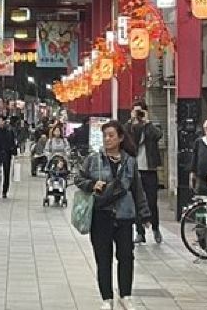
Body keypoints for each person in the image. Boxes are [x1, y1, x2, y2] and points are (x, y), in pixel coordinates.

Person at [74, 120, 150, 310]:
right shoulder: (94, 159)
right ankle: (106, 298)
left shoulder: (129, 162)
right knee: (103, 258)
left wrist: (144, 214)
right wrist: (92, 184)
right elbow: (78, 178)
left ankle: (125, 295)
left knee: (126, 257)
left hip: (124, 216)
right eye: (105, 136)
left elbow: (137, 189)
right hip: (100, 215)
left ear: (120, 138)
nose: (107, 139)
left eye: (111, 135)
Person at [126, 100, 163, 244]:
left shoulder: (151, 126)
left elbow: (158, 135)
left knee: (152, 201)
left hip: (149, 169)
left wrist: (147, 122)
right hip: (135, 170)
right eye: (135, 111)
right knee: (136, 201)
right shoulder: (129, 126)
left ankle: (156, 228)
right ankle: (140, 232)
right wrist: (132, 122)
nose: (138, 114)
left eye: (140, 111)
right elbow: (125, 139)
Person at [0, 115, 18, 198]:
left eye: (2, 121)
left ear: (5, 122)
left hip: (7, 154)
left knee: (6, 172)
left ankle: (5, 190)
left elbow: (12, 143)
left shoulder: (9, 132)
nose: (0, 123)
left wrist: (14, 152)